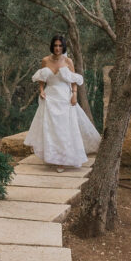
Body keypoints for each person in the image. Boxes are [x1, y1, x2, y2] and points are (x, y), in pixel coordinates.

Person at [24, 35, 101, 170]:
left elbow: (73, 80)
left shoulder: (68, 61)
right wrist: (41, 91)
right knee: (51, 130)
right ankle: (53, 157)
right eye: (55, 45)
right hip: (49, 98)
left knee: (64, 130)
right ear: (52, 46)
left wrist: (74, 94)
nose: (57, 48)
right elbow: (42, 78)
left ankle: (63, 160)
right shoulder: (45, 60)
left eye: (60, 45)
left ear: (63, 47)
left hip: (65, 98)